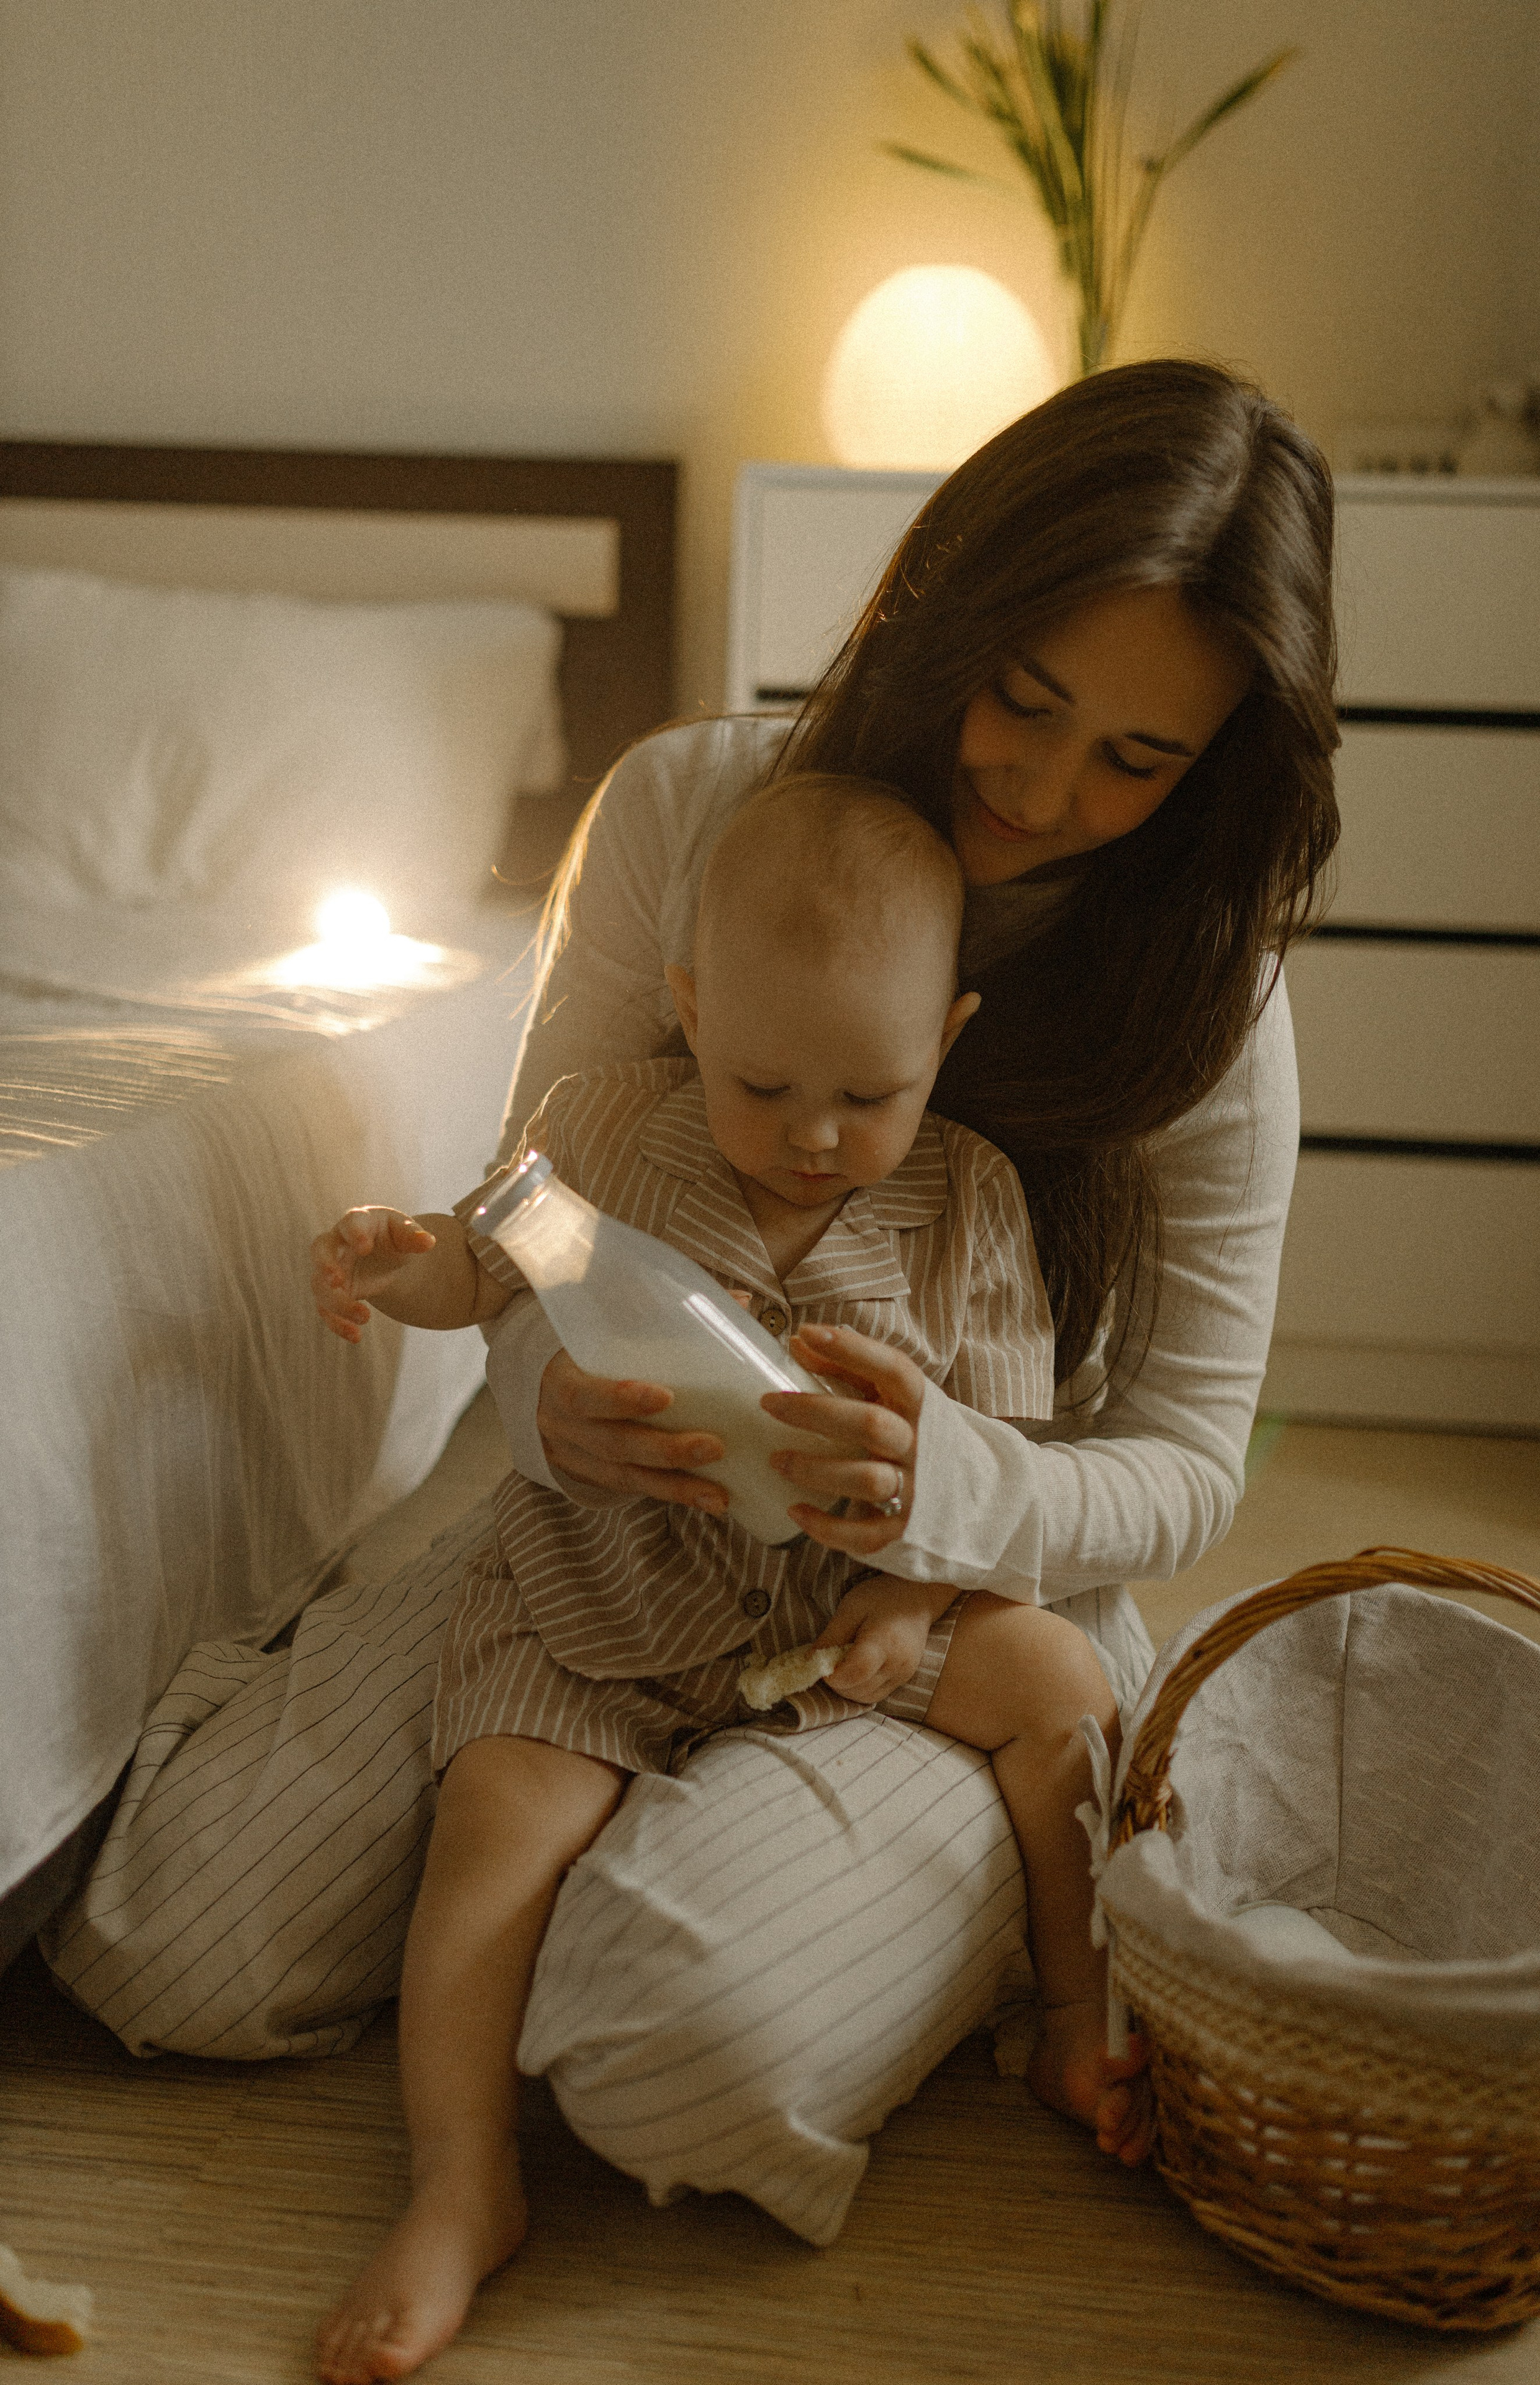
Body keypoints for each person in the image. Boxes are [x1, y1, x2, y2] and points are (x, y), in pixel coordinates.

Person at [42, 357, 1336, 2271]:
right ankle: (591, 1860)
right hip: (612, 1556)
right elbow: (531, 1227)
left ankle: (880, 1884)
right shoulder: (692, 810)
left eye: (1138, 761)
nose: (1048, 794)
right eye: (1025, 700)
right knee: (172, 1948)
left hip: (935, 1606)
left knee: (659, 2044)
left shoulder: (1208, 1005)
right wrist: (547, 1390)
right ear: (946, 615)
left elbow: (1188, 1465)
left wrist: (948, 1495)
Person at [310, 777, 1153, 2384]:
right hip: (606, 1593)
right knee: (490, 1837)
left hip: (849, 1601)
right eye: (764, 1084)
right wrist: (397, 1262)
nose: (816, 1133)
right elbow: (480, 1263)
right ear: (690, 1011)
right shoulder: (600, 1129)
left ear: (948, 1037)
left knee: (1065, 1687)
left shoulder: (971, 1197)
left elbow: (1004, 1451)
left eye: (870, 1092)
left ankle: (1071, 2010)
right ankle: (461, 2184)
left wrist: (918, 1600)